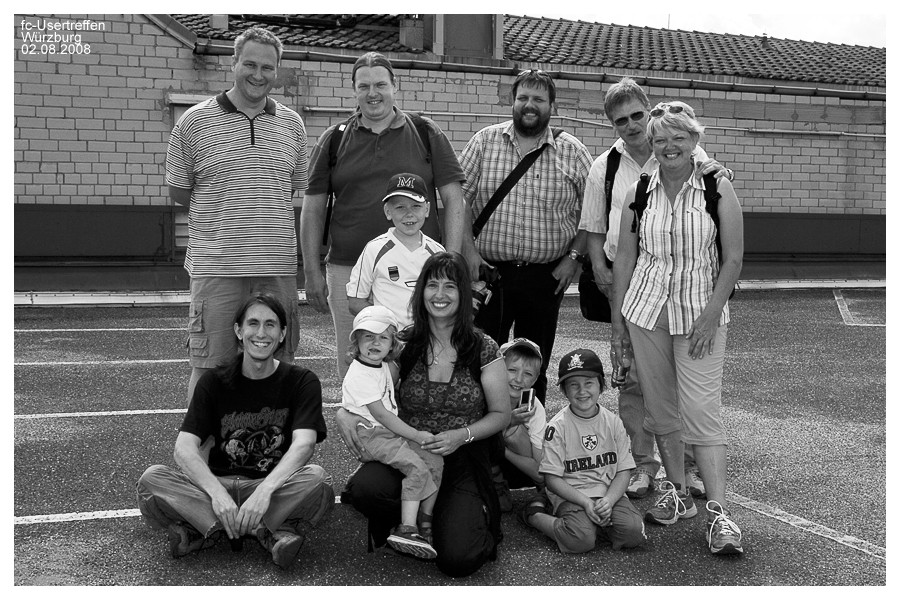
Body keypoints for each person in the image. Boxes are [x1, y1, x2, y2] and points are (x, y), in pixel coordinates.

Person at [579, 77, 734, 500]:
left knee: (682, 388)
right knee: (631, 381)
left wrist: (722, 173)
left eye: (636, 115)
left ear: (648, 112)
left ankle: (686, 470)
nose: (630, 125)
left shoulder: (692, 155)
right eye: (620, 120)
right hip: (630, 282)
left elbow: (716, 187)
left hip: (684, 285)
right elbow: (594, 227)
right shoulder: (604, 168)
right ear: (612, 124)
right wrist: (601, 271)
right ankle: (643, 465)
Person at [611, 100, 745, 555]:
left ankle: (720, 514)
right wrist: (618, 327)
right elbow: (626, 259)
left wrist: (710, 315)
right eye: (661, 140)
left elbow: (733, 259)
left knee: (702, 413)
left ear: (694, 141)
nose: (669, 147)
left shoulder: (717, 187)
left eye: (678, 139)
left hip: (699, 317)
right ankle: (679, 494)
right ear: (652, 144)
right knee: (661, 412)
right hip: (646, 313)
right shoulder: (640, 190)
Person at [336, 252, 510, 578]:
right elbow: (365, 382)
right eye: (432, 285)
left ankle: (447, 512)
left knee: (459, 560)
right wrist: (344, 414)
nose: (440, 295)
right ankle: (412, 521)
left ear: (463, 292)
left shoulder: (482, 346)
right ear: (421, 292)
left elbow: (501, 413)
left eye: (450, 286)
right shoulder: (404, 343)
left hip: (461, 456)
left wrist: (462, 435)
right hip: (409, 449)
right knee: (365, 490)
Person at [301, 51, 469, 381]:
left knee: (421, 360)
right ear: (354, 90)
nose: (372, 93)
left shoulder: (425, 132)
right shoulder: (333, 139)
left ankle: (413, 432)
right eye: (363, 86)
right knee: (358, 363)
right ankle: (364, 430)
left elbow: (453, 199)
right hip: (348, 271)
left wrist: (451, 263)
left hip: (419, 270)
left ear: (395, 86)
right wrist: (311, 271)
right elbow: (313, 207)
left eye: (380, 84)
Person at [136, 293, 334, 568]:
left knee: (318, 481)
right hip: (218, 486)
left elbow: (304, 445)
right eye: (253, 324)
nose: (261, 333)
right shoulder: (213, 381)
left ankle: (203, 529)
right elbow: (183, 449)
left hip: (271, 487)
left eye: (270, 325)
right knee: (152, 479)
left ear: (282, 333)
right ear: (238, 331)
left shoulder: (302, 381)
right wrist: (217, 495)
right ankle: (266, 530)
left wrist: (264, 492)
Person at [166, 27, 307, 404]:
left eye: (267, 67)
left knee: (278, 362)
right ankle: (200, 450)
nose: (258, 74)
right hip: (216, 267)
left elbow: (293, 188)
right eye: (250, 64)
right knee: (210, 365)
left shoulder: (293, 124)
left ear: (277, 70)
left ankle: (271, 450)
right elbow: (179, 191)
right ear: (233, 63)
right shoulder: (193, 122)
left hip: (276, 267)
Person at [458, 68, 593, 402]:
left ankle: (530, 444)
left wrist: (574, 258)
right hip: (487, 275)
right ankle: (483, 444)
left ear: (551, 105)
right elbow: (457, 200)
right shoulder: (484, 141)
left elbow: (594, 214)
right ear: (512, 101)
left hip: (545, 277)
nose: (529, 105)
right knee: (482, 361)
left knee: (534, 366)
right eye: (523, 98)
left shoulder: (572, 151)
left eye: (538, 99)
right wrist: (469, 253)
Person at [519, 348, 646, 554]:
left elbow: (624, 471)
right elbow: (552, 479)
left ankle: (594, 524)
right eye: (573, 385)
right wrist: (586, 502)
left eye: (589, 383)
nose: (582, 391)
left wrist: (609, 501)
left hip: (607, 493)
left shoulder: (613, 423)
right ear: (564, 391)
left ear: (601, 385)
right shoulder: (557, 427)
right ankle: (535, 515)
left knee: (633, 533)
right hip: (573, 495)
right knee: (580, 541)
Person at [341, 305, 443, 560]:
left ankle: (424, 520)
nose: (375, 343)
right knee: (416, 468)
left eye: (383, 337)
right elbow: (383, 415)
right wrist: (417, 434)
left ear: (391, 344)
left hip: (387, 432)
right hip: (373, 434)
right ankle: (406, 529)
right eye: (368, 336)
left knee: (434, 460)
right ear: (356, 340)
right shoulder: (359, 374)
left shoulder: (383, 365)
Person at [346, 173, 445, 328]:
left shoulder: (438, 252)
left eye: (416, 206)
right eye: (400, 207)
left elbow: (445, 299)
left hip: (427, 341)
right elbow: (355, 302)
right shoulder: (374, 250)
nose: (409, 214)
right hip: (390, 344)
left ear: (427, 209)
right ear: (387, 211)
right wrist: (385, 326)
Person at [494, 338, 548, 509]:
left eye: (528, 374)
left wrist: (502, 448)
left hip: (514, 462)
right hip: (484, 457)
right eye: (512, 370)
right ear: (498, 369)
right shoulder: (485, 394)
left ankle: (547, 492)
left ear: (535, 379)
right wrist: (507, 421)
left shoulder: (534, 408)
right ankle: (492, 482)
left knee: (514, 431)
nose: (518, 379)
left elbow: (540, 471)